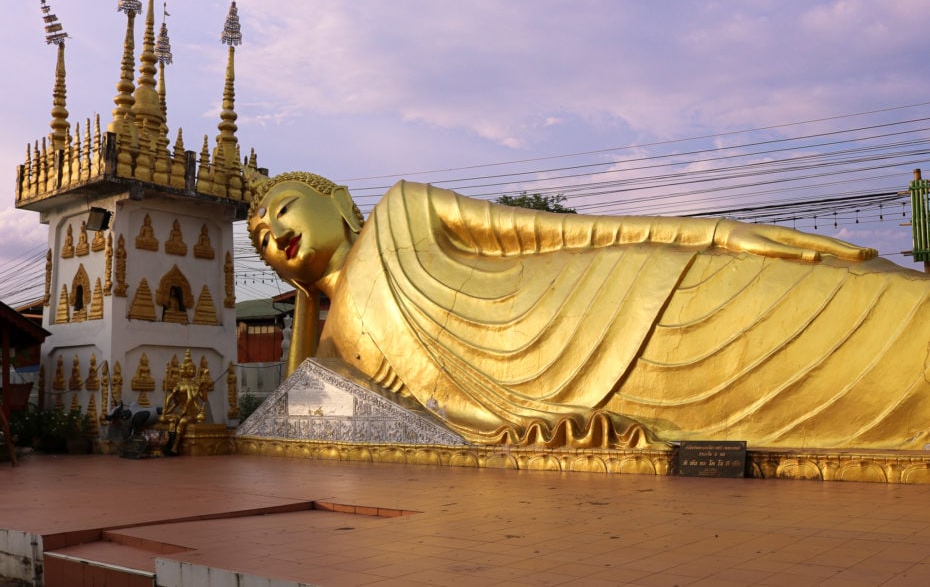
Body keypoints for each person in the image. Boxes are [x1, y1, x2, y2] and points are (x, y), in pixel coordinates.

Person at [248, 171, 930, 450]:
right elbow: (295, 434)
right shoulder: (330, 360)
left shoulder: (403, 209)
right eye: (257, 240)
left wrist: (717, 233)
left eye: (280, 208)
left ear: (338, 203)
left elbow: (567, 232)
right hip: (565, 408)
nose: (271, 233)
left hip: (615, 292)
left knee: (847, 305)